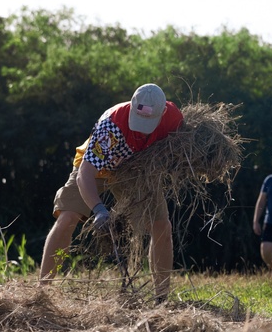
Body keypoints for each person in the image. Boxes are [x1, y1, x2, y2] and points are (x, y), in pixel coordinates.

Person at [39, 83, 184, 301]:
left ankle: (161, 298)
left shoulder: (173, 117)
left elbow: (183, 145)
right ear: (133, 105)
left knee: (161, 225)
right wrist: (99, 210)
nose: (139, 128)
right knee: (67, 217)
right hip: (96, 167)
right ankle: (42, 293)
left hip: (134, 170)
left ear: (163, 112)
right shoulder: (111, 126)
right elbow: (85, 174)